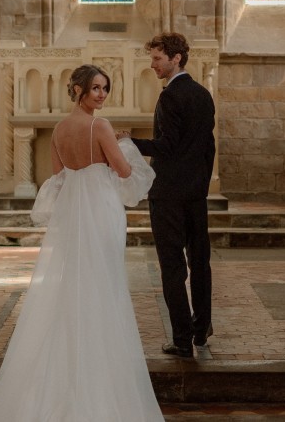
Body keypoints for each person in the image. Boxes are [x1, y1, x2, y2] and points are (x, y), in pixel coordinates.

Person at [0, 65, 163, 422]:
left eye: (105, 89)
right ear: (77, 89)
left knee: (74, 286)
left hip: (74, 212)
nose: (102, 95)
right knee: (103, 286)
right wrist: (124, 146)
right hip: (102, 210)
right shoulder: (100, 126)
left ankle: (66, 372)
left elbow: (59, 177)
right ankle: (96, 379)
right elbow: (124, 172)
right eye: (95, 88)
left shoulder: (61, 130)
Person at [118, 33, 216, 359]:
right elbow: (208, 148)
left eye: (158, 58)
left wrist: (132, 143)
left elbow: (167, 147)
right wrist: (201, 186)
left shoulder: (171, 97)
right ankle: (201, 329)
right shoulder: (203, 95)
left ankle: (181, 340)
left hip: (169, 194)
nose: (152, 64)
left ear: (176, 58)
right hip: (195, 195)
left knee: (173, 266)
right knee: (200, 262)